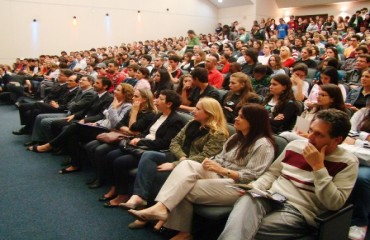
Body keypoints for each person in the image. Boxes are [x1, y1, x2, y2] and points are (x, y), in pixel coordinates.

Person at [128, 104, 276, 240]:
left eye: (242, 117)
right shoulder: (236, 138)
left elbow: (252, 176)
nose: (236, 118)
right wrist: (211, 162)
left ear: (255, 121)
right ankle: (163, 211)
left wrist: (222, 169)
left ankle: (179, 228)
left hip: (238, 186)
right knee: (186, 164)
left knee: (184, 187)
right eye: (238, 115)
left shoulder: (263, 145)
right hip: (219, 175)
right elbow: (219, 157)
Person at [218, 109, 358, 240]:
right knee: (246, 206)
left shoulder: (347, 162)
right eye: (311, 131)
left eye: (319, 134)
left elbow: (334, 203)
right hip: (270, 196)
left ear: (337, 140)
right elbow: (272, 174)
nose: (310, 138)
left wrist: (318, 167)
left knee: (245, 227)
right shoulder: (295, 146)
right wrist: (254, 186)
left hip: (300, 210)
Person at [121, 97, 229, 229]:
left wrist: (176, 164)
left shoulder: (218, 133)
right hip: (179, 158)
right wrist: (182, 157)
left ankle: (147, 214)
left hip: (193, 167)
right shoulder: (192, 123)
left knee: (157, 175)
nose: (193, 111)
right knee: (148, 155)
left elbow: (206, 157)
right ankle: (139, 197)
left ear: (209, 113)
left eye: (198, 109)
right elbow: (174, 142)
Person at [100, 90, 185, 207]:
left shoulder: (176, 120)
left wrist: (141, 141)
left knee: (120, 162)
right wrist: (137, 138)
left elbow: (164, 143)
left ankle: (123, 194)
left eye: (160, 99)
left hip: (153, 150)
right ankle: (115, 187)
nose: (156, 101)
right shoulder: (159, 115)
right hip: (143, 145)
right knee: (111, 155)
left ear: (169, 104)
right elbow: (146, 132)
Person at [84, 88, 157, 188]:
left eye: (136, 96)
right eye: (133, 96)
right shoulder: (132, 109)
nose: (132, 98)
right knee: (89, 146)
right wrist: (128, 129)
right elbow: (119, 124)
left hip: (128, 140)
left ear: (144, 99)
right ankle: (100, 174)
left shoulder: (150, 114)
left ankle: (101, 178)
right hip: (121, 135)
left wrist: (134, 113)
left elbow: (134, 127)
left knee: (100, 150)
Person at [280, 84, 347, 142]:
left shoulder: (337, 116)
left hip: (318, 141)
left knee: (285, 135)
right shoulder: (312, 109)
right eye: (318, 94)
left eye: (322, 95)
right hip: (302, 136)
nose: (318, 97)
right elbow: (299, 126)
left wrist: (309, 136)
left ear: (332, 99)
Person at [343, 104, 370, 240]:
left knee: (361, 177)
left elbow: (354, 137)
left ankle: (360, 222)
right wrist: (365, 138)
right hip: (356, 153)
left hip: (367, 160)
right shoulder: (364, 112)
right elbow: (350, 132)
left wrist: (358, 140)